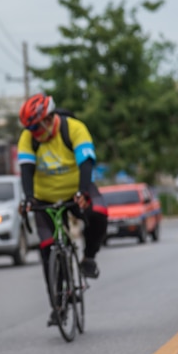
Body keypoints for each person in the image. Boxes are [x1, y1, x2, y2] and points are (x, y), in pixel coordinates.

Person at [17, 93, 107, 326]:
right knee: (48, 250)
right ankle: (58, 307)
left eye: (36, 127)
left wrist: (83, 192)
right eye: (30, 128)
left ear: (49, 119)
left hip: (76, 190)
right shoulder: (29, 138)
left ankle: (89, 258)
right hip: (44, 197)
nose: (33, 132)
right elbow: (26, 169)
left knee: (99, 212)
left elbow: (86, 163)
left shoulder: (74, 128)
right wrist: (28, 198)